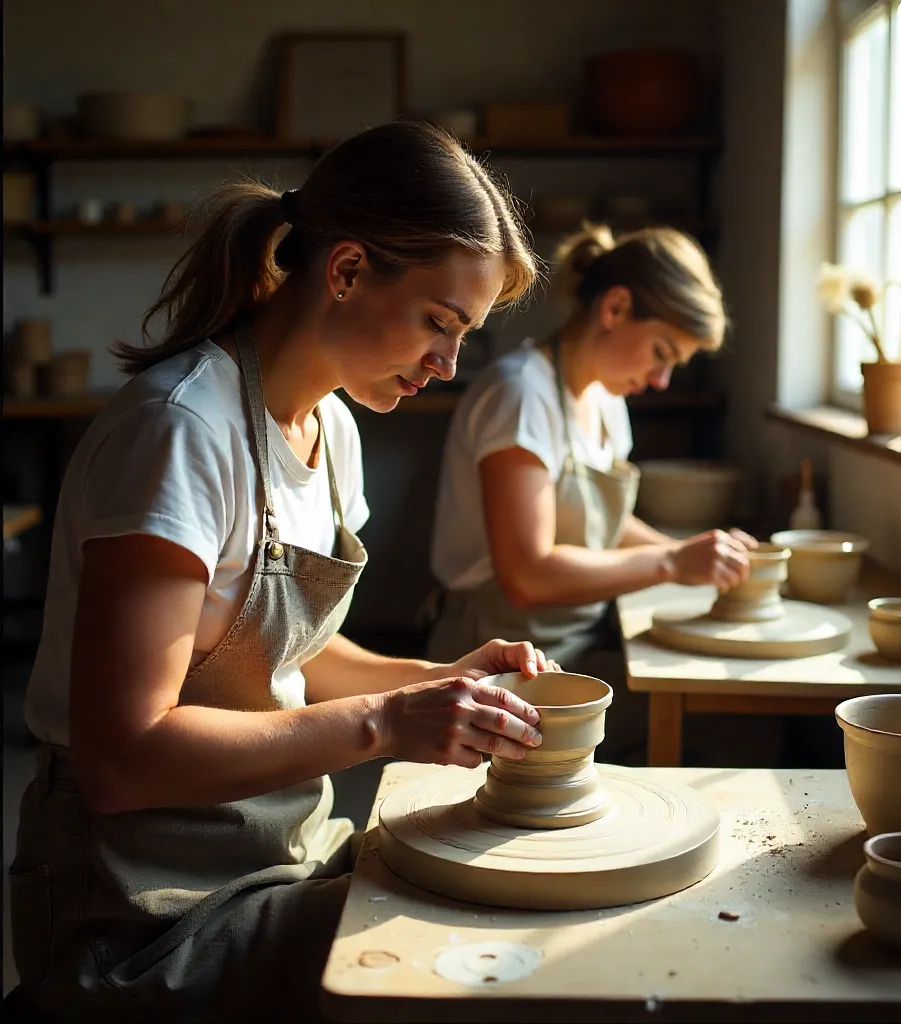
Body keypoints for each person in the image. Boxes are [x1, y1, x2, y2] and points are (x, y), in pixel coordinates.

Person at [8, 121, 556, 1024]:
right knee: (459, 962)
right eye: (439, 322)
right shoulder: (181, 431)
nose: (449, 364)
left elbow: (287, 655)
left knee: (505, 909)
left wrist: (441, 682)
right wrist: (387, 723)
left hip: (279, 847)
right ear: (346, 270)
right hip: (144, 909)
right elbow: (121, 760)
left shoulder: (331, 427)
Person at [427, 223, 757, 760]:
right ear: (616, 308)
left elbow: (604, 524)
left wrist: (701, 554)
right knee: (725, 724)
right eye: (661, 352)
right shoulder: (521, 395)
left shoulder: (604, 400)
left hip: (572, 646)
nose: (661, 380)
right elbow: (528, 575)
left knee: (715, 699)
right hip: (498, 664)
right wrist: (671, 562)